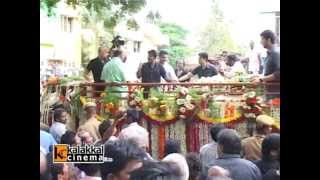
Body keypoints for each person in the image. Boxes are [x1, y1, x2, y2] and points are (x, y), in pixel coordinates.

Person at [252, 30, 280, 100]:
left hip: (275, 93)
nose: (260, 42)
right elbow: (270, 71)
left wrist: (261, 79)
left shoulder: (276, 54)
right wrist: (259, 76)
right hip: (270, 91)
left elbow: (278, 73)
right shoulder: (270, 53)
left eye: (262, 39)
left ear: (269, 39)